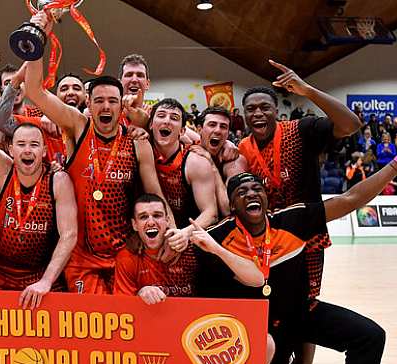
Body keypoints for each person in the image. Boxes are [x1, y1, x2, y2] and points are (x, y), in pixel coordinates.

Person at [200, 132, 397, 364]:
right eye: (241, 191)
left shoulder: (293, 219)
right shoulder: (217, 237)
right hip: (258, 334)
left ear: (266, 197)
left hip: (301, 316)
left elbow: (351, 199)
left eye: (256, 188)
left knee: (370, 336)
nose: (251, 193)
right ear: (232, 204)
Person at [234, 59, 362, 364]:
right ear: (243, 116)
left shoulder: (301, 130)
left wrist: (307, 90)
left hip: (306, 239)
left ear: (277, 110)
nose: (258, 114)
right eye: (251, 109)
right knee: (269, 312)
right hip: (264, 244)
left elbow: (351, 125)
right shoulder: (241, 148)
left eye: (264, 107)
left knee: (305, 310)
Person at [23, 11, 170, 294]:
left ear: (120, 106)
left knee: (129, 328)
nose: (106, 107)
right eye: (99, 100)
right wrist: (36, 36)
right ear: (88, 103)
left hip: (124, 252)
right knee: (93, 330)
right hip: (80, 256)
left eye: (112, 101)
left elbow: (155, 194)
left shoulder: (137, 142)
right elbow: (33, 89)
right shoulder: (77, 126)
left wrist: (172, 232)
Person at [0, 63, 78, 307]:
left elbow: (69, 234)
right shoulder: (2, 167)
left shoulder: (58, 180)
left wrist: (46, 281)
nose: (27, 150)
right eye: (21, 144)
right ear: (11, 148)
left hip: (40, 273)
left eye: (34, 145)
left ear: (44, 151)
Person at [114, 193, 262, 302]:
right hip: (152, 331)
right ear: (134, 225)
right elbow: (122, 310)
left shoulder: (192, 249)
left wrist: (216, 249)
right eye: (143, 217)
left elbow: (258, 279)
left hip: (197, 329)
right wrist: (139, 295)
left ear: (167, 220)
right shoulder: (127, 257)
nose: (151, 222)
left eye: (157, 215)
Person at [148, 98, 219, 237]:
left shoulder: (195, 160)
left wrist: (184, 234)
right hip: (154, 231)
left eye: (174, 118)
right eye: (161, 115)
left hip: (189, 235)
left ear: (182, 131)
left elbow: (211, 213)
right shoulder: (143, 150)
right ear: (150, 125)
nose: (167, 121)